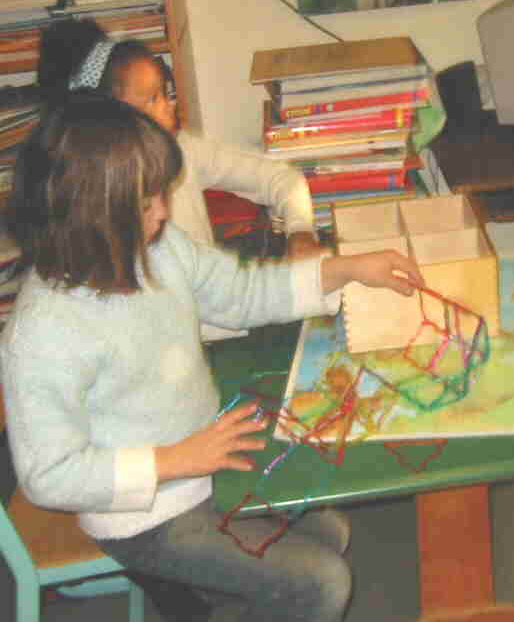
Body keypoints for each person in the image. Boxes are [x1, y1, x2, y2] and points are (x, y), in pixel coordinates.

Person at [0, 94, 424, 621]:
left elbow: (243, 292)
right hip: (142, 517)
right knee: (321, 583)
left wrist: (345, 268)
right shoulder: (43, 331)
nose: (164, 210)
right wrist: (177, 459)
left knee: (329, 533)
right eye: (147, 202)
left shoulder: (154, 248)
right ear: (94, 215)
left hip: (205, 458)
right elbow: (48, 474)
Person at [37, 19, 323, 342]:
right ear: (109, 118)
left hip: (227, 319)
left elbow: (280, 177)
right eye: (153, 98)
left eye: (166, 92)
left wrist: (300, 232)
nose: (170, 104)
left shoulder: (183, 148)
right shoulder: (96, 206)